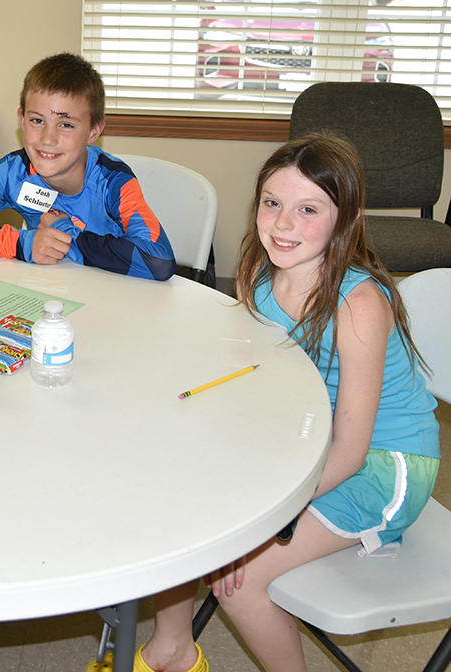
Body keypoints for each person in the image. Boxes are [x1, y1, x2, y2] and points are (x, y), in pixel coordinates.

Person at [127, 133, 440, 672]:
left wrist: (265, 522)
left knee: (240, 583)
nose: (283, 224)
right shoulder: (260, 273)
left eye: (309, 209)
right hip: (306, 433)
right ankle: (172, 650)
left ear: (347, 218)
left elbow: (351, 447)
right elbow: (247, 370)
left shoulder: (359, 304)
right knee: (177, 507)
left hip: (383, 466)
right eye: (272, 203)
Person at [0, 53, 175, 282]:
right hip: (52, 294)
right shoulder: (13, 174)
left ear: (94, 131)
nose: (47, 139)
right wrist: (22, 244)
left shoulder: (113, 181)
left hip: (120, 296)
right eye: (37, 120)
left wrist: (65, 235)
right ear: (21, 119)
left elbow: (159, 262)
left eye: (66, 124)